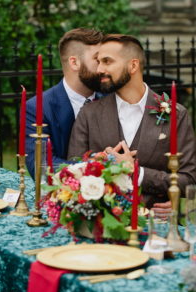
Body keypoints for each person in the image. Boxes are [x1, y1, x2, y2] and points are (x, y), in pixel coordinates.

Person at [68, 34, 196, 209]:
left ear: (133, 65)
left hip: (156, 226)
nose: (99, 69)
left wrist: (138, 173)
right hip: (100, 223)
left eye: (107, 61)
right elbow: (72, 168)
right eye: (98, 62)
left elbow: (189, 181)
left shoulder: (177, 115)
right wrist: (98, 163)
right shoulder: (89, 113)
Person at [26, 28, 103, 179]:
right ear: (74, 62)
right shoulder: (38, 108)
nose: (103, 67)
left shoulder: (111, 98)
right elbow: (41, 166)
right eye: (97, 60)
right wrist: (95, 169)